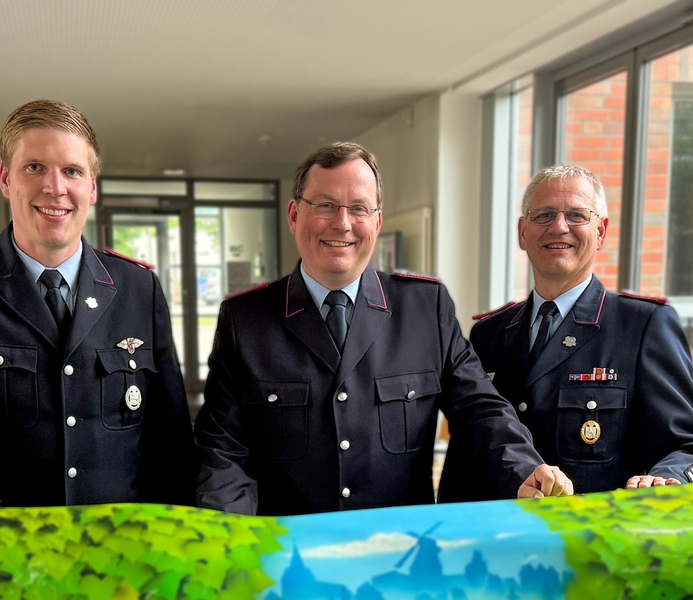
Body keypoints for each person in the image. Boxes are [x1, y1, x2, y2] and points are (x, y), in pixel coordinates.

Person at [193, 142, 573, 516]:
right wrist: (230, 536)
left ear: (376, 222)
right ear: (294, 215)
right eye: (325, 205)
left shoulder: (425, 307)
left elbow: (479, 409)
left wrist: (524, 468)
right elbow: (224, 448)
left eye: (359, 208)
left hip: (399, 552)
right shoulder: (245, 320)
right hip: (290, 554)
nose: (342, 223)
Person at [0, 100, 193, 539]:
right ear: (5, 178)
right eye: (35, 167)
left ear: (92, 187)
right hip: (1, 550)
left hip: (120, 551)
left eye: (72, 171)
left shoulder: (137, 287)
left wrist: (181, 542)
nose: (55, 187)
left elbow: (170, 440)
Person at [439, 165, 693, 502]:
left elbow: (685, 443)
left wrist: (666, 477)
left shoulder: (643, 326)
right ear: (522, 232)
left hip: (590, 542)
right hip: (499, 538)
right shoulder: (490, 333)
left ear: (601, 232)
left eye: (576, 215)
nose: (559, 227)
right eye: (544, 215)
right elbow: (468, 449)